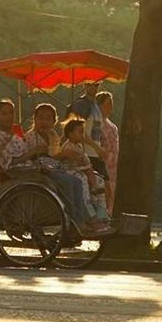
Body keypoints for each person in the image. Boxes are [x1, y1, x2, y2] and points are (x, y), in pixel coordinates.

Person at [23, 103, 98, 233]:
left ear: (54, 121)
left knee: (77, 181)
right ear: (34, 119)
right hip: (39, 170)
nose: (44, 122)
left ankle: (80, 219)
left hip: (53, 167)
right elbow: (30, 157)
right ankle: (73, 221)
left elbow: (55, 156)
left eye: (48, 118)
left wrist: (66, 156)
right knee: (68, 181)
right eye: (40, 118)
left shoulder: (53, 135)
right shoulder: (30, 137)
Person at [61, 119, 111, 230]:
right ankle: (88, 215)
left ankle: (102, 214)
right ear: (70, 134)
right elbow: (76, 163)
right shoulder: (68, 147)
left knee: (100, 180)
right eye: (80, 132)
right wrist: (87, 171)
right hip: (74, 172)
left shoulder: (79, 146)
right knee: (82, 180)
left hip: (84, 170)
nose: (83, 135)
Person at [68, 82, 108, 178]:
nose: (94, 87)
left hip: (95, 153)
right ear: (85, 85)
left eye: (96, 85)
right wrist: (97, 148)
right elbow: (77, 129)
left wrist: (100, 147)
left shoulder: (96, 106)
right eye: (90, 84)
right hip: (85, 152)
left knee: (103, 185)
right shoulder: (81, 104)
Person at [96, 91, 119, 213]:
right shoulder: (96, 124)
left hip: (113, 165)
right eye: (108, 103)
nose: (111, 107)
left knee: (112, 193)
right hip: (103, 162)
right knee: (104, 193)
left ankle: (108, 216)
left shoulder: (113, 126)